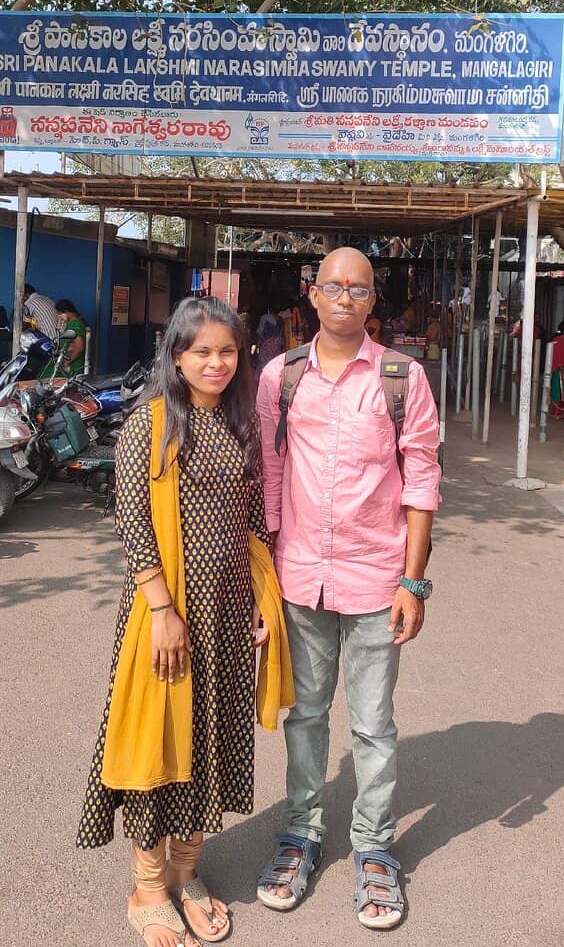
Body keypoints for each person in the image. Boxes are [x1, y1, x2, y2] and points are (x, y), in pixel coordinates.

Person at [77, 296, 291, 947]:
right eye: (201, 351)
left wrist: (262, 599)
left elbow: (253, 521)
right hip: (163, 616)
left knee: (210, 743)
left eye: (227, 351)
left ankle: (187, 872)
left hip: (225, 615)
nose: (216, 362)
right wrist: (163, 610)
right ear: (176, 355)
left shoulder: (240, 422)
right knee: (158, 744)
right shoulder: (151, 422)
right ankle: (147, 886)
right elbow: (133, 521)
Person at [256, 247, 441, 930]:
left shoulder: (401, 378)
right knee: (303, 717)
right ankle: (300, 834)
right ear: (310, 295)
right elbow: (270, 474)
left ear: (371, 300)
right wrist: (265, 578)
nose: (342, 297)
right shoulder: (280, 376)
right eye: (331, 286)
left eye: (356, 288)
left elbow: (420, 481)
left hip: (374, 578)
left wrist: (413, 582)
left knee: (371, 725)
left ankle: (373, 848)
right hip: (299, 578)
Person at [54, 298, 86, 374]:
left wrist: (66, 363)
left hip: (73, 365)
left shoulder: (75, 325)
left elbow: (79, 347)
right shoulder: (70, 324)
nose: (59, 316)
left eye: (59, 313)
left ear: (66, 311)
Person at [255, 300, 284, 370]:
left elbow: (260, 333)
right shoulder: (281, 319)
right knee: (274, 364)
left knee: (264, 365)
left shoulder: (265, 318)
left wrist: (257, 347)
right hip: (277, 345)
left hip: (266, 346)